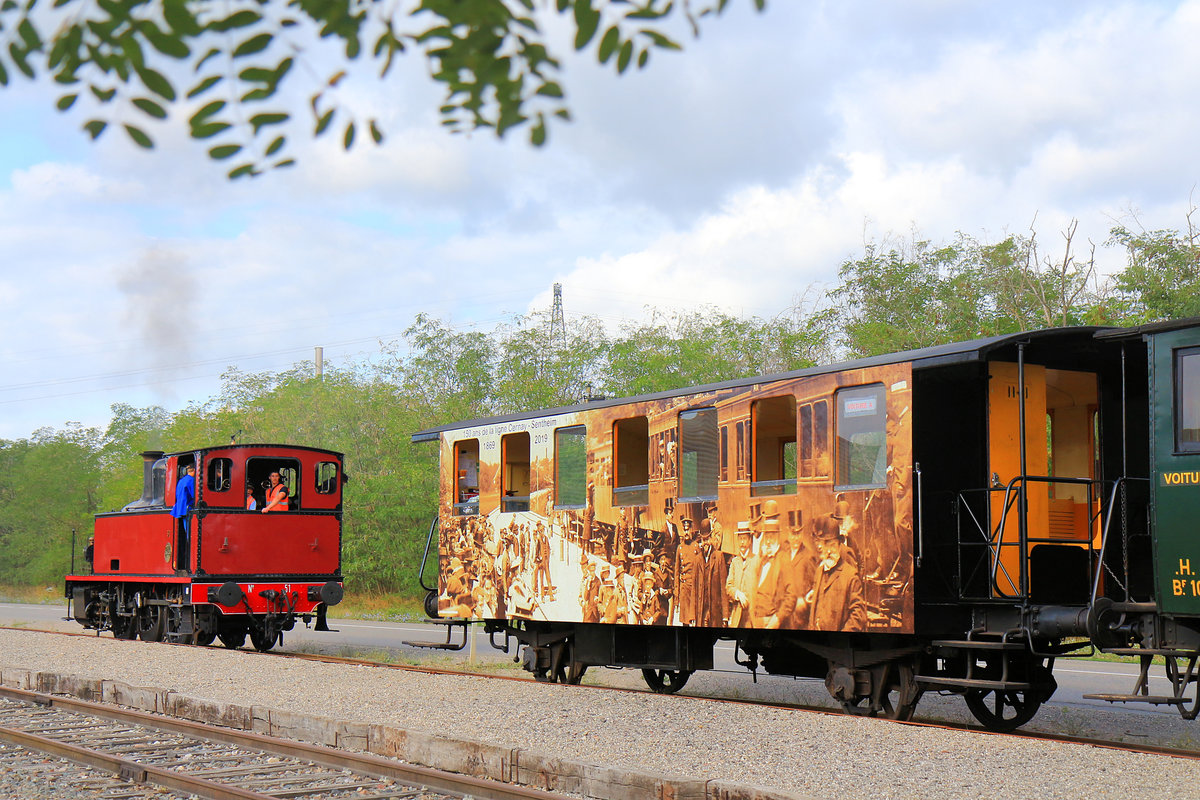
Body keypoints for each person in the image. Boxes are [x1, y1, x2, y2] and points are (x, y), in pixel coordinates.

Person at [808, 515, 868, 632]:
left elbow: (858, 616)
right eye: (826, 546)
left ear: (839, 546)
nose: (829, 551)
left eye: (833, 546)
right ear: (821, 547)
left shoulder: (850, 576)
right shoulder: (819, 572)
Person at [725, 522, 756, 627]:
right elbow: (728, 587)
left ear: (750, 540)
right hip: (737, 616)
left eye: (745, 539)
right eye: (740, 539)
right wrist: (738, 594)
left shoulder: (756, 561)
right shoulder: (734, 562)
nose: (742, 542)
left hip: (752, 617)